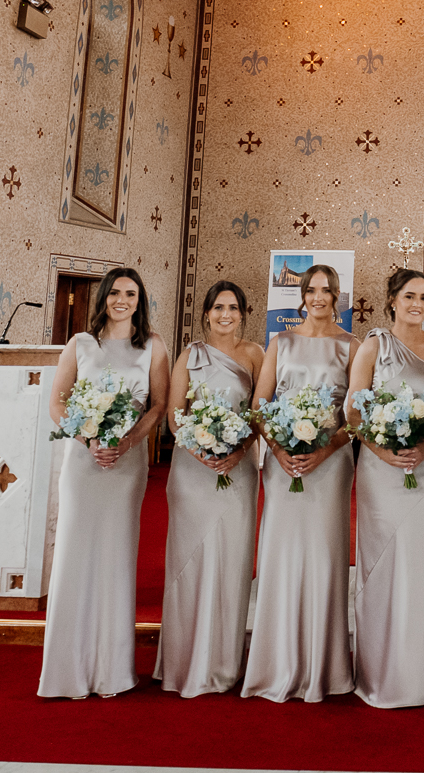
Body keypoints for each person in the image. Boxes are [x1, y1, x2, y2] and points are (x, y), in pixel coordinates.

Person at [37, 268, 169, 699]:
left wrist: (129, 441)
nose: (122, 300)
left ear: (140, 300)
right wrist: (87, 437)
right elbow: (57, 401)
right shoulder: (81, 344)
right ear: (103, 298)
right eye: (115, 292)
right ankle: (66, 670)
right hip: (83, 462)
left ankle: (112, 670)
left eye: (131, 293)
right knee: (74, 553)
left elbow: (158, 404)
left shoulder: (152, 345)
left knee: (115, 555)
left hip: (126, 465)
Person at [241, 265, 355, 702]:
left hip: (331, 463)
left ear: (337, 296)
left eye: (328, 290)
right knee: (282, 554)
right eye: (313, 290)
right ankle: (276, 662)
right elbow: (261, 404)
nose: (320, 297)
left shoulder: (352, 346)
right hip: (283, 461)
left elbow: (356, 413)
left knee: (324, 555)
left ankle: (323, 667)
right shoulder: (281, 342)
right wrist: (279, 447)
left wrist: (324, 449)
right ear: (302, 295)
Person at [155, 280, 264, 697]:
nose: (225, 314)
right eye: (218, 307)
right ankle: (183, 663)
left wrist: (237, 452)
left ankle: (223, 663)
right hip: (193, 471)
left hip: (238, 469)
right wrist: (203, 451)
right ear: (205, 313)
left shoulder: (256, 354)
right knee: (190, 562)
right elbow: (174, 415)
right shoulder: (189, 354)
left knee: (232, 562)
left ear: (243, 314)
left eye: (233, 308)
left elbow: (259, 413)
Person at [348, 267, 424, 708]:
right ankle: (380, 674)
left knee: (423, 567)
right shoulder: (373, 346)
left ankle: (419, 670)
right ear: (392, 299)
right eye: (410, 296)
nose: (417, 305)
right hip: (380, 470)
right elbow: (354, 410)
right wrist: (384, 451)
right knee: (383, 566)